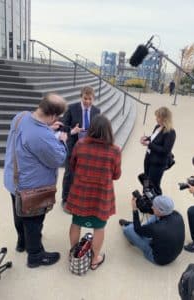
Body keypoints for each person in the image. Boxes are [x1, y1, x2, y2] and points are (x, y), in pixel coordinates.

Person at [3, 93, 68, 268]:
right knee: (33, 220)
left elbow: (29, 138)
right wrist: (62, 141)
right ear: (54, 115)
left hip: (13, 180)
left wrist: (48, 128)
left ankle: (22, 243)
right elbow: (58, 158)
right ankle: (35, 255)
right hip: (30, 188)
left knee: (18, 213)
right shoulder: (40, 135)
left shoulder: (21, 116)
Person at [65, 114, 121, 271]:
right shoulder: (115, 150)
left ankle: (74, 252)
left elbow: (73, 166)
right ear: (109, 131)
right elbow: (116, 175)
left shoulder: (80, 144)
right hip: (101, 196)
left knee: (76, 223)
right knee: (99, 228)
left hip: (81, 193)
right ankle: (94, 259)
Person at [61, 86, 100, 208]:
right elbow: (63, 127)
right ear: (81, 97)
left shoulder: (97, 111)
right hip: (73, 146)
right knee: (70, 173)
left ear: (93, 99)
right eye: (85, 98)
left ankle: (79, 196)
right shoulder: (72, 108)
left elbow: (98, 129)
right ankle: (65, 199)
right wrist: (73, 130)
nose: (87, 101)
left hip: (88, 148)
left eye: (90, 99)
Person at [119, 195, 185, 265]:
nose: (152, 207)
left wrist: (134, 209)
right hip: (173, 253)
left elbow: (137, 229)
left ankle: (133, 231)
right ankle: (140, 227)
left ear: (160, 210)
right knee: (155, 216)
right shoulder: (177, 215)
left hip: (159, 259)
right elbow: (158, 215)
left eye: (154, 206)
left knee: (128, 229)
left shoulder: (156, 228)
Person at [140, 106, 176, 194]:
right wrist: (147, 139)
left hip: (158, 163)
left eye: (158, 117)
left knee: (154, 184)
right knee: (146, 180)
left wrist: (149, 144)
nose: (156, 119)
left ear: (165, 118)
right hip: (148, 158)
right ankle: (146, 196)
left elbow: (165, 150)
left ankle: (158, 203)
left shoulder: (170, 132)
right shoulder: (157, 127)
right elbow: (154, 139)